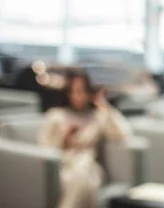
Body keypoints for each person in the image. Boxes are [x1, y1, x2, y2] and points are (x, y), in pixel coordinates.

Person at [38, 67, 132, 208]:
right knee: (82, 176)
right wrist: (63, 139)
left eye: (82, 91)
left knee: (84, 165)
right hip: (64, 166)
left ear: (89, 92)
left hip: (90, 167)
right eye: (74, 91)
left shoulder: (97, 117)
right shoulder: (56, 115)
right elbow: (44, 147)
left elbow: (123, 134)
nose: (77, 96)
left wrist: (104, 105)